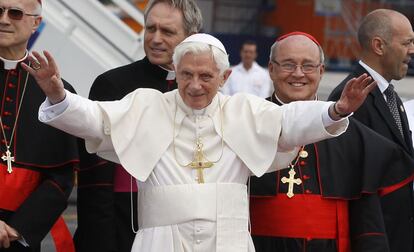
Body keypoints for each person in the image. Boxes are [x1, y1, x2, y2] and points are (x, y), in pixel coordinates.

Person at [27, 33, 374, 251]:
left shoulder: (244, 111)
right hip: (160, 241)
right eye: (186, 75)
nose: (194, 85)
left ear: (224, 77)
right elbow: (96, 119)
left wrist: (335, 110)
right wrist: (60, 97)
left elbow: (289, 122)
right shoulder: (147, 106)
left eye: (206, 76)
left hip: (229, 241)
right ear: (175, 73)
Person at [250, 32, 414, 252]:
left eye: (308, 66)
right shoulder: (248, 124)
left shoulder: (351, 133)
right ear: (271, 69)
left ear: (321, 71)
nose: (298, 74)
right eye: (288, 65)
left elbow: (367, 218)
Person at [73, 1, 203, 251]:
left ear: (191, 37)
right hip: (125, 226)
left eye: (167, 32)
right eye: (150, 28)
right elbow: (96, 181)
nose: (155, 39)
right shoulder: (111, 84)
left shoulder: (201, 91)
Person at [329, 9, 414, 252]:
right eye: (407, 42)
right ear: (379, 45)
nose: (412, 50)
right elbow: (352, 183)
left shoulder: (390, 96)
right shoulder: (349, 98)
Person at [0, 0, 79, 251]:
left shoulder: (55, 90)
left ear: (36, 22)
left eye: (15, 13)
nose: (3, 20)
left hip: (19, 238)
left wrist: (17, 227)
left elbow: (62, 178)